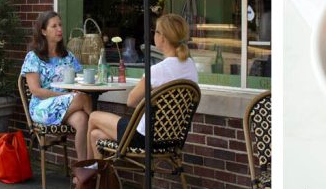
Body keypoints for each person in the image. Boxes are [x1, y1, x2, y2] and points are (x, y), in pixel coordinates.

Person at [87, 13, 198, 153]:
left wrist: (151, 100)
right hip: (171, 139)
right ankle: (100, 168)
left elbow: (131, 101)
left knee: (93, 117)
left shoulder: (157, 71)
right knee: (96, 135)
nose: (153, 35)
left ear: (162, 37)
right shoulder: (191, 66)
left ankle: (88, 165)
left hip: (143, 137)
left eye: (155, 31)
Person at [20, 10, 92, 161]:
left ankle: (84, 167)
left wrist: (72, 91)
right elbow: (36, 91)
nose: (59, 29)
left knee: (82, 119)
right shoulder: (33, 57)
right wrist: (66, 95)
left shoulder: (68, 57)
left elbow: (77, 81)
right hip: (41, 107)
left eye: (60, 25)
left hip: (66, 104)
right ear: (43, 31)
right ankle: (96, 153)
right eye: (54, 26)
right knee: (83, 98)